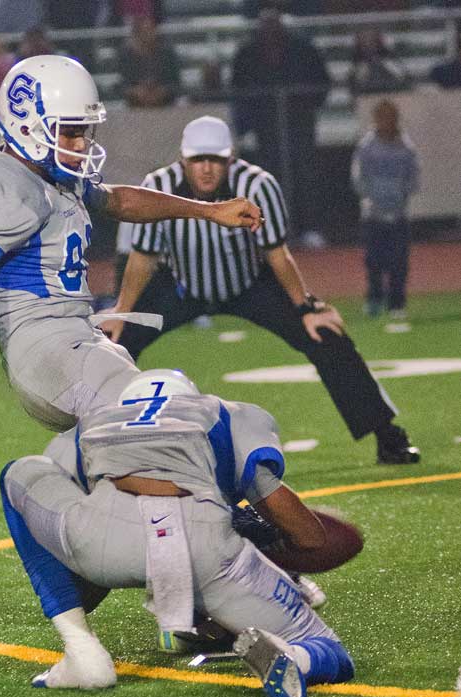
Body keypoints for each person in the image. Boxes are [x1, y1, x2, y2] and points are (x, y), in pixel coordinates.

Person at [0, 56, 262, 431]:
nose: (80, 145)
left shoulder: (56, 177)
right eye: (70, 132)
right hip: (45, 348)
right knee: (173, 417)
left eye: (83, 132)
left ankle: (73, 469)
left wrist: (209, 210)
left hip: (79, 338)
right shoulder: (2, 179)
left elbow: (119, 201)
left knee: (156, 428)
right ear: (27, 126)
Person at [0, 368, 356, 697]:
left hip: (104, 540)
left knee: (18, 472)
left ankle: (81, 648)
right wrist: (267, 552)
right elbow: (308, 536)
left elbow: (80, 584)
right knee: (329, 651)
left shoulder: (89, 424)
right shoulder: (223, 412)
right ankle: (296, 658)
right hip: (202, 541)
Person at [103, 115, 421, 465]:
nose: (206, 169)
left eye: (215, 159)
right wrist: (122, 311)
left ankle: (388, 436)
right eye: (197, 159)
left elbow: (277, 255)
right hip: (181, 285)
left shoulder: (257, 184)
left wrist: (306, 309)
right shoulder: (158, 185)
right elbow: (143, 258)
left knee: (326, 335)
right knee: (113, 345)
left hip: (249, 284)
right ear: (183, 159)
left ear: (231, 158)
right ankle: (98, 442)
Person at [231, 7, 329, 245]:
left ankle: (310, 227)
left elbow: (321, 81)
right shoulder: (248, 53)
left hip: (299, 122)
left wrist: (305, 102)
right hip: (265, 125)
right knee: (269, 177)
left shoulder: (302, 49)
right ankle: (273, 227)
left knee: (305, 174)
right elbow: (238, 86)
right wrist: (251, 115)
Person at [351, 99, 420, 319]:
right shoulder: (367, 148)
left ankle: (397, 303)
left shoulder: (406, 148)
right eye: (383, 118)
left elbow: (413, 178)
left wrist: (399, 194)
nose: (387, 122)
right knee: (374, 261)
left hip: (398, 214)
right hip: (373, 215)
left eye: (390, 118)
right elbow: (359, 178)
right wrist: (374, 197)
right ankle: (374, 299)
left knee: (399, 261)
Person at [119, 16, 180, 108]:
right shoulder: (127, 56)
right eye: (144, 31)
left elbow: (177, 83)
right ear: (137, 34)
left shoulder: (167, 54)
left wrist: (162, 91)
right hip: (135, 104)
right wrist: (135, 91)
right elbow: (122, 85)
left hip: (165, 104)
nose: (149, 34)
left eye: (151, 30)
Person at [348, 28, 410, 96]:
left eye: (371, 37)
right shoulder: (357, 61)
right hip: (367, 94)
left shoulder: (388, 59)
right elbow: (353, 84)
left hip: (391, 93)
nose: (368, 40)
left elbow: (402, 77)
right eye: (364, 37)